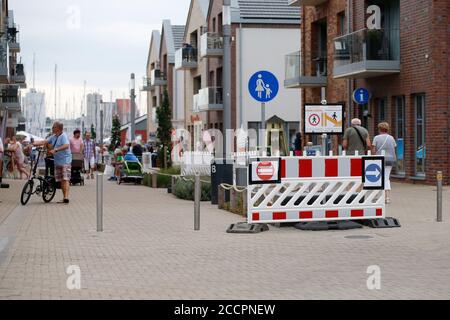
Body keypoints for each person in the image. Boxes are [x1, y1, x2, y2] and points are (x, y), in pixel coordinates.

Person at [33, 121, 72, 204]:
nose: (52, 128)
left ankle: (66, 197)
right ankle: (64, 198)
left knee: (65, 179)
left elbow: (66, 145)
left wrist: (56, 149)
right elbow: (44, 142)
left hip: (65, 160)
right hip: (58, 161)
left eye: (53, 127)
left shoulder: (63, 136)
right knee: (61, 180)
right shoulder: (54, 137)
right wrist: (33, 144)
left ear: (58, 128)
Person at [372, 122, 397, 204]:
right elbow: (394, 148)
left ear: (379, 129)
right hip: (390, 160)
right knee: (386, 177)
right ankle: (387, 197)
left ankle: (377, 196)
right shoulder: (391, 138)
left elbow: (373, 150)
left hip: (379, 159)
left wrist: (373, 158)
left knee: (378, 178)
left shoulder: (376, 138)